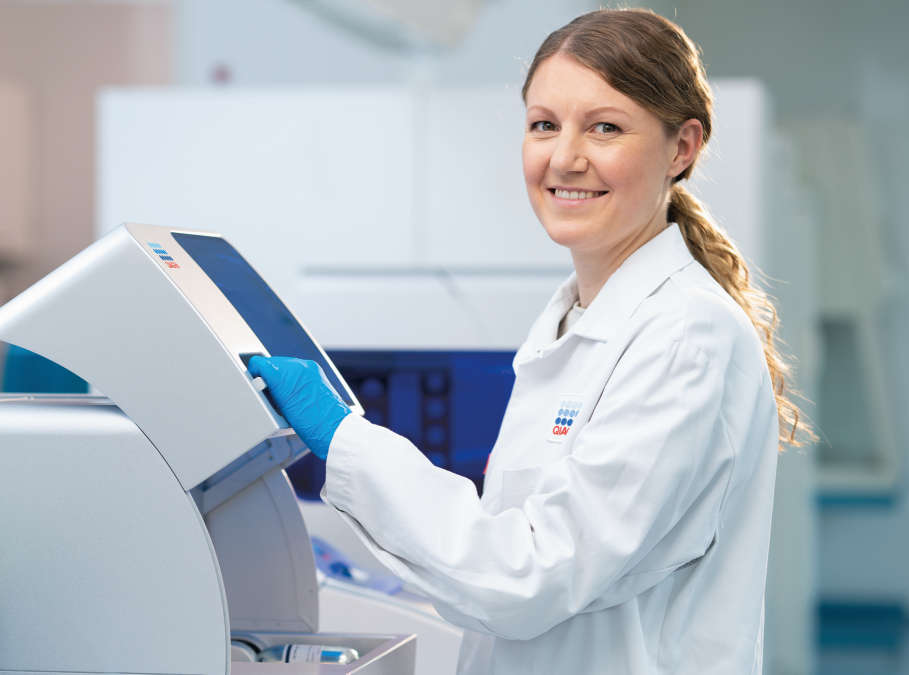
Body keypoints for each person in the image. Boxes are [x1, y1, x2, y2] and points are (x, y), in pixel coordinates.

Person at [249, 8, 813, 674]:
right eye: (545, 124)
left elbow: (529, 576)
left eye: (605, 127)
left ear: (682, 148)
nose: (565, 157)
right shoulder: (574, 318)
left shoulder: (687, 335)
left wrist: (345, 440)